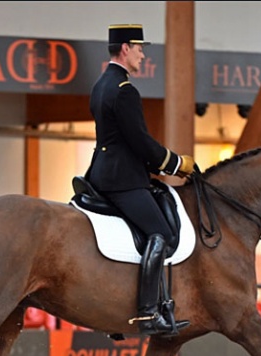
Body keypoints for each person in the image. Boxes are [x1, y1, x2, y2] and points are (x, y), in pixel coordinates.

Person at [85, 24, 196, 336]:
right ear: (125, 48)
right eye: (139, 48)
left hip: (100, 173)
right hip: (123, 179)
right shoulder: (124, 90)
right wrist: (176, 162)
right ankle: (148, 312)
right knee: (160, 233)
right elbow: (140, 143)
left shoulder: (100, 85)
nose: (143, 55)